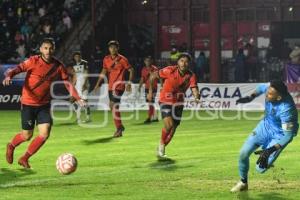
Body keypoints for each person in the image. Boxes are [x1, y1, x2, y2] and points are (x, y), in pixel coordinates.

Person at [2, 38, 86, 168]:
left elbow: (67, 84)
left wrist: (78, 97)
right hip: (28, 103)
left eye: (50, 48)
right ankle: (11, 146)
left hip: (44, 105)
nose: (48, 51)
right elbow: (18, 68)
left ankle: (24, 158)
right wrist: (9, 75)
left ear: (54, 49)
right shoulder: (33, 61)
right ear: (41, 49)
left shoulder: (58, 66)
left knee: (44, 133)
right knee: (26, 135)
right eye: (45, 48)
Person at [231, 80, 299, 192]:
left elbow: (288, 135)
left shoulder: (287, 109)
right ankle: (243, 182)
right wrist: (250, 97)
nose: (266, 95)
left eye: (270, 95)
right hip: (265, 126)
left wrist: (270, 150)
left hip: (280, 135)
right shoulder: (270, 87)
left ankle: (270, 157)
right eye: (267, 92)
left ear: (278, 98)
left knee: (260, 169)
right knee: (243, 153)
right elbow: (260, 87)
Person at [147, 53, 200, 159]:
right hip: (165, 100)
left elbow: (194, 88)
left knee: (174, 128)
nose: (184, 63)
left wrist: (196, 97)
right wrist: (150, 91)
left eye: (186, 61)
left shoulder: (191, 75)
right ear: (178, 62)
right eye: (181, 61)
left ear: (188, 64)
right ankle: (161, 147)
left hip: (179, 103)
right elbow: (153, 76)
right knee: (169, 125)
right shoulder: (169, 70)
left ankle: (161, 146)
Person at [93, 40, 134, 137]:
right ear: (109, 49)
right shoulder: (106, 59)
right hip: (111, 86)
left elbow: (131, 70)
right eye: (111, 47)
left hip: (119, 86)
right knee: (113, 106)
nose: (113, 49)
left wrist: (129, 83)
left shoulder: (122, 59)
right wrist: (97, 84)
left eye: (115, 47)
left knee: (113, 105)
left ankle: (119, 129)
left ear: (117, 48)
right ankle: (120, 126)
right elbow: (103, 72)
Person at [71, 51, 91, 123]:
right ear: (74, 57)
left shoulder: (84, 63)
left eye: (78, 56)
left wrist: (85, 84)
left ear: (80, 57)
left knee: (85, 101)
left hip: (84, 84)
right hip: (77, 85)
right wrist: (72, 85)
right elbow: (75, 76)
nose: (77, 58)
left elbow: (86, 73)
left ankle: (88, 117)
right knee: (74, 101)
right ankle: (78, 118)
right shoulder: (74, 65)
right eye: (75, 56)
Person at [138, 56, 159, 123]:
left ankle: (149, 118)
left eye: (149, 60)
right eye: (146, 61)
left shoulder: (154, 68)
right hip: (147, 87)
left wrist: (151, 73)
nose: (148, 62)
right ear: (144, 62)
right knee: (150, 103)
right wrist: (139, 86)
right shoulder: (143, 69)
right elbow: (142, 78)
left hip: (153, 87)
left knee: (150, 102)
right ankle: (155, 117)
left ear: (151, 61)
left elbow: (158, 77)